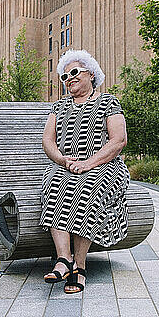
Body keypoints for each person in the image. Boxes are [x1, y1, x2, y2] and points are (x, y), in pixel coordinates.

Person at [40, 49, 130, 294]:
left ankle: (80, 266)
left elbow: (118, 140)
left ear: (91, 74)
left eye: (75, 72)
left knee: (86, 188)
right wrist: (61, 159)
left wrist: (88, 163)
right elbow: (48, 140)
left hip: (104, 166)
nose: (69, 78)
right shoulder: (59, 107)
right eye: (65, 76)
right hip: (66, 165)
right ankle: (64, 260)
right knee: (53, 185)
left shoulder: (108, 102)